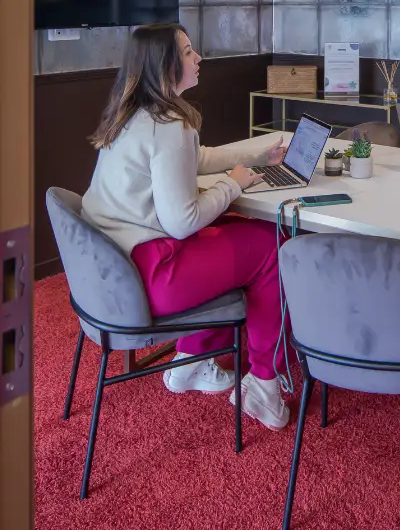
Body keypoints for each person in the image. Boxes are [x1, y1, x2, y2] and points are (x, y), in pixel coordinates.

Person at [82, 23, 291, 431]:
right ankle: (265, 385)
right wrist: (234, 184)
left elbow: (195, 159)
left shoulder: (136, 115)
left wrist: (260, 153)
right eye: (190, 51)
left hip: (115, 270)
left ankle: (191, 361)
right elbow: (183, 222)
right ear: (167, 65)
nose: (198, 58)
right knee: (271, 244)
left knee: (233, 229)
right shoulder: (169, 126)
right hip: (154, 276)